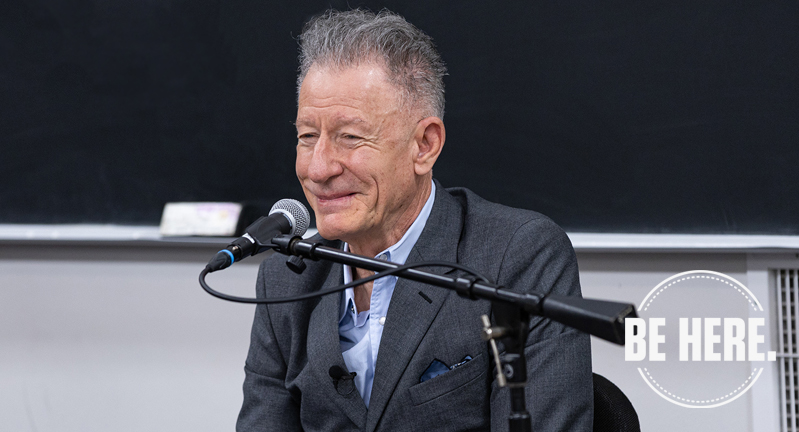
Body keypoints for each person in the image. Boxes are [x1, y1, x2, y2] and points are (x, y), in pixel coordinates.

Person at [237, 9, 592, 432]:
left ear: (424, 146)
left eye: (351, 137)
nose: (318, 169)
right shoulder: (286, 279)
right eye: (307, 136)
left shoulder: (518, 257)